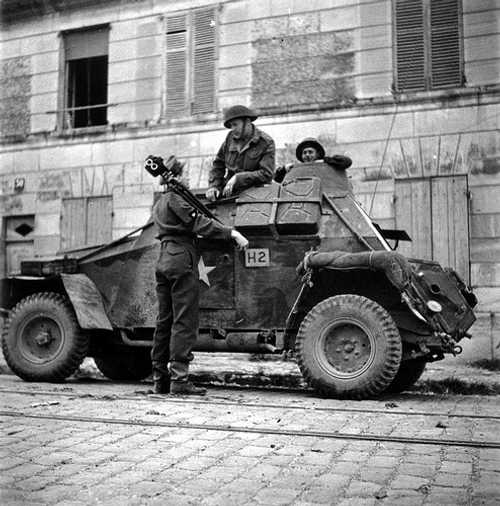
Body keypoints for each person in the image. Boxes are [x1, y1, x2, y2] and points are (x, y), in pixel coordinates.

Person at [152, 156, 249, 396]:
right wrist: (231, 233)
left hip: (164, 257)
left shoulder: (160, 202)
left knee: (165, 321)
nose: (187, 179)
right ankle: (180, 379)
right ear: (174, 176)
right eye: (184, 174)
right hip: (181, 259)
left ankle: (159, 379)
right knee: (184, 320)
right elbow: (199, 224)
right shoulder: (176, 199)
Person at [206, 105, 275, 201]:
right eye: (230, 126)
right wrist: (214, 186)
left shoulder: (265, 142)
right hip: (229, 195)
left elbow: (266, 174)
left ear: (247, 122)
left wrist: (239, 178)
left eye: (235, 124)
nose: (232, 129)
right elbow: (218, 164)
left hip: (255, 198)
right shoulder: (230, 138)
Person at [274, 137, 352, 183]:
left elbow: (347, 162)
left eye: (310, 152)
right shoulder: (296, 169)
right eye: (304, 153)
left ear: (317, 154)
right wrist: (284, 169)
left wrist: (326, 161)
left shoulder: (326, 165)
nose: (307, 155)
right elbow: (277, 178)